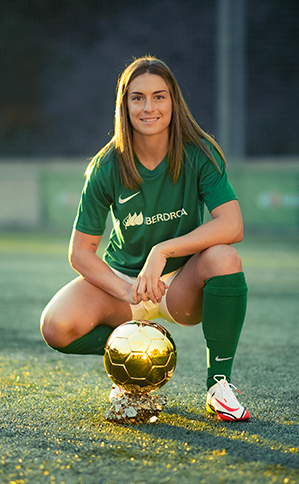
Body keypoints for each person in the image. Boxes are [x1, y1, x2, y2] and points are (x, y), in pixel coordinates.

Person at [40, 56, 249, 421]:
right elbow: (80, 253)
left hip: (181, 287)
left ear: (173, 102)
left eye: (159, 96)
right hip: (126, 287)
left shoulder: (199, 154)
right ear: (125, 105)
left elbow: (231, 225)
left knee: (224, 257)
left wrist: (162, 251)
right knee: (56, 326)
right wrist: (125, 292)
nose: (148, 107)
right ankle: (134, 359)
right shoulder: (106, 166)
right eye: (137, 98)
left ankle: (219, 385)